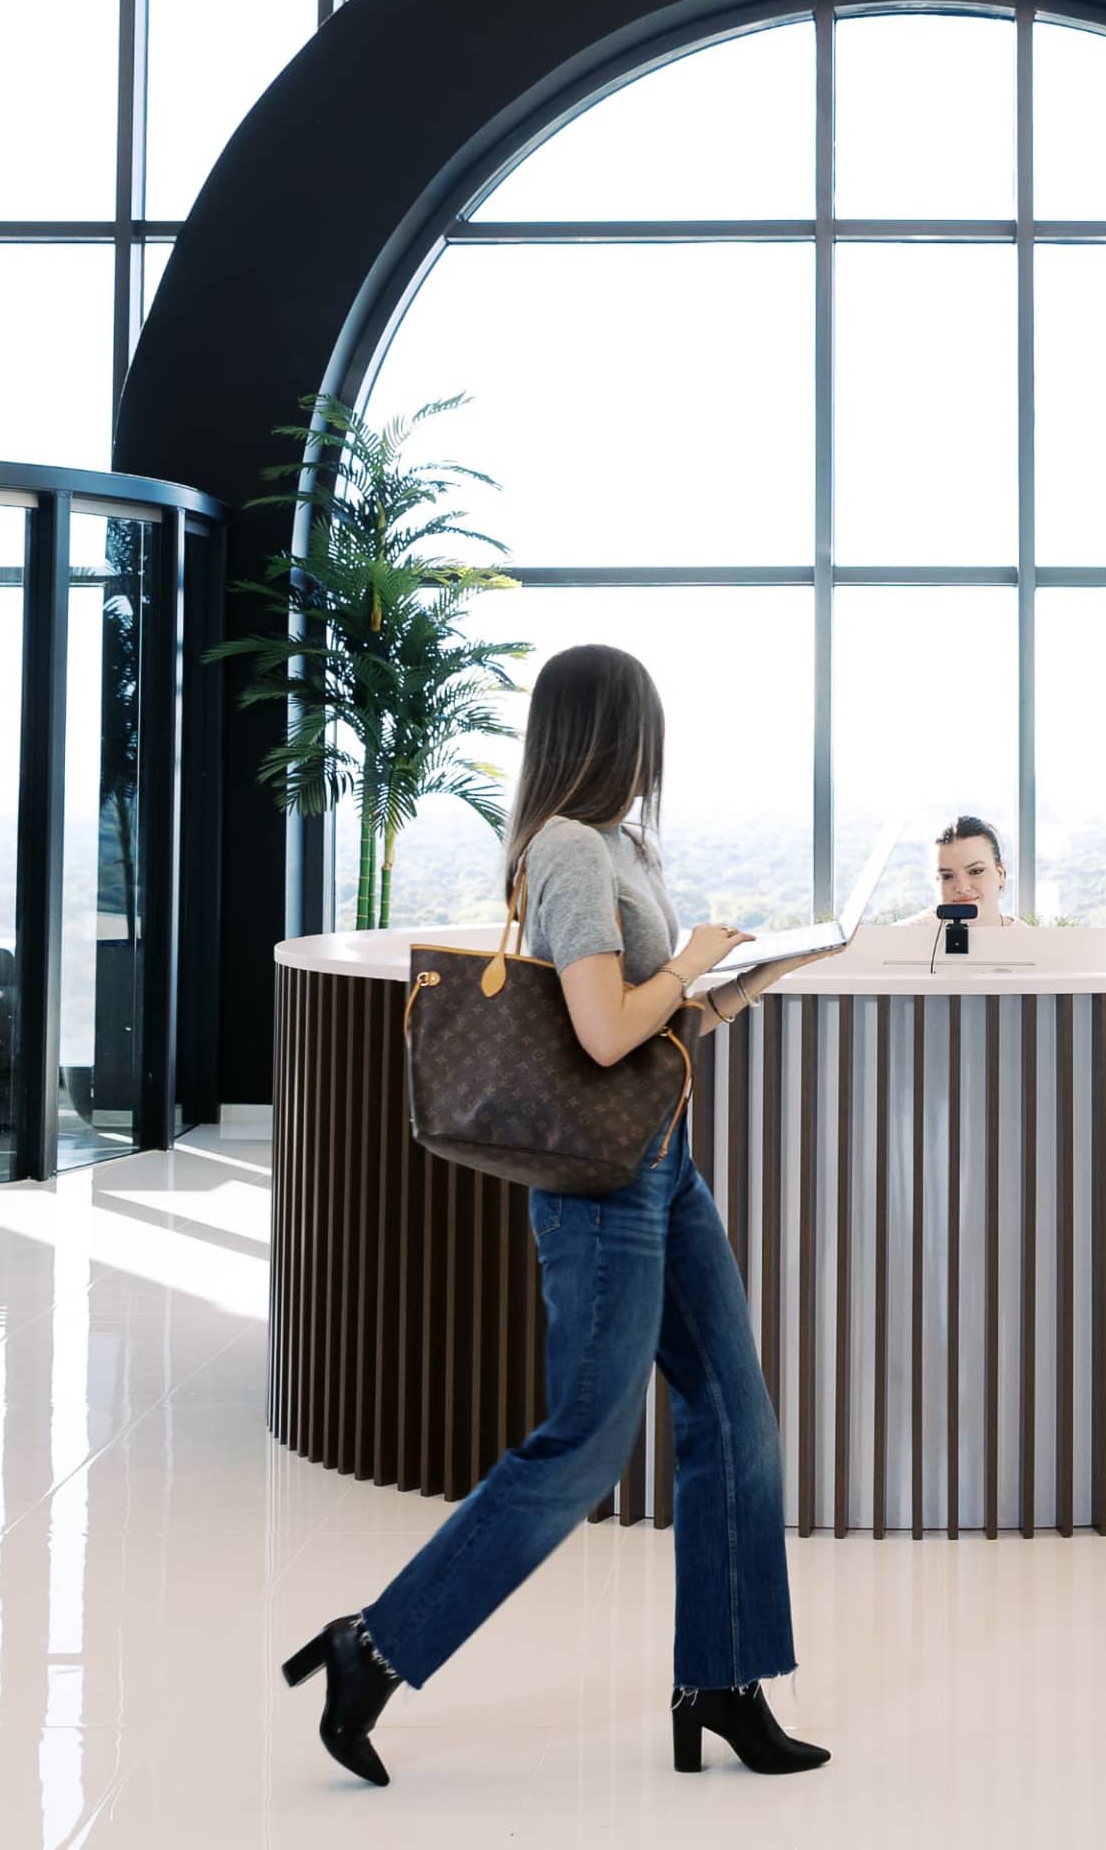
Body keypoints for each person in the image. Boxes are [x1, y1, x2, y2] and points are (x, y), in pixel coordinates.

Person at [284, 643, 837, 1785]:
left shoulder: (625, 847)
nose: (654, 756)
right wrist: (685, 963)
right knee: (583, 1449)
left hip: (661, 1165)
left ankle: (723, 1681)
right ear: (611, 735)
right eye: (644, 732)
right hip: (598, 1194)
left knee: (736, 1424)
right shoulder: (569, 852)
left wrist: (750, 975)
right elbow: (597, 1031)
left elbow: (653, 1033)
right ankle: (372, 1647)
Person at [906, 815, 1014, 929]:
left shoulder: (1030, 942)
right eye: (947, 876)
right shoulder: (902, 936)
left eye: (976, 871)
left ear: (1000, 875)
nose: (962, 888)